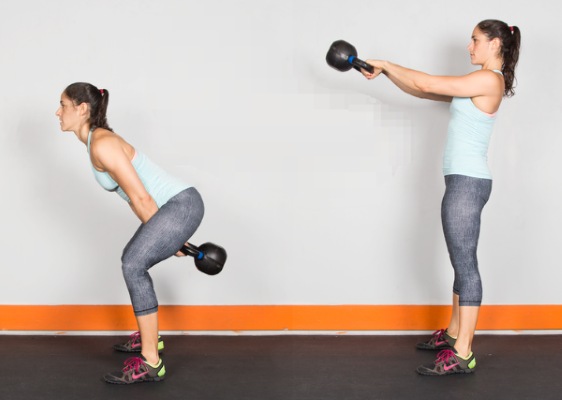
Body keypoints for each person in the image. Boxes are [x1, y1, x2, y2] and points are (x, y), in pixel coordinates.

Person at [361, 20, 521, 375]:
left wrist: (386, 63)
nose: (469, 46)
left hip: (469, 182)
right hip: (462, 180)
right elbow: (422, 92)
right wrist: (385, 74)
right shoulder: (476, 82)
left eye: (475, 40)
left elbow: (427, 82)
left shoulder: (488, 79)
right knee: (458, 258)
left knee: (465, 263)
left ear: (495, 43)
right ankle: (452, 334)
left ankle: (464, 352)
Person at [56, 82, 205, 384]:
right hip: (172, 211)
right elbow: (132, 198)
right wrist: (167, 235)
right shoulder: (94, 143)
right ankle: (150, 337)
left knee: (133, 265)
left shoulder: (101, 144)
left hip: (180, 205)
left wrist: (171, 234)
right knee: (131, 258)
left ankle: (151, 361)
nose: (57, 111)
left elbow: (142, 198)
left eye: (63, 104)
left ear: (81, 108)